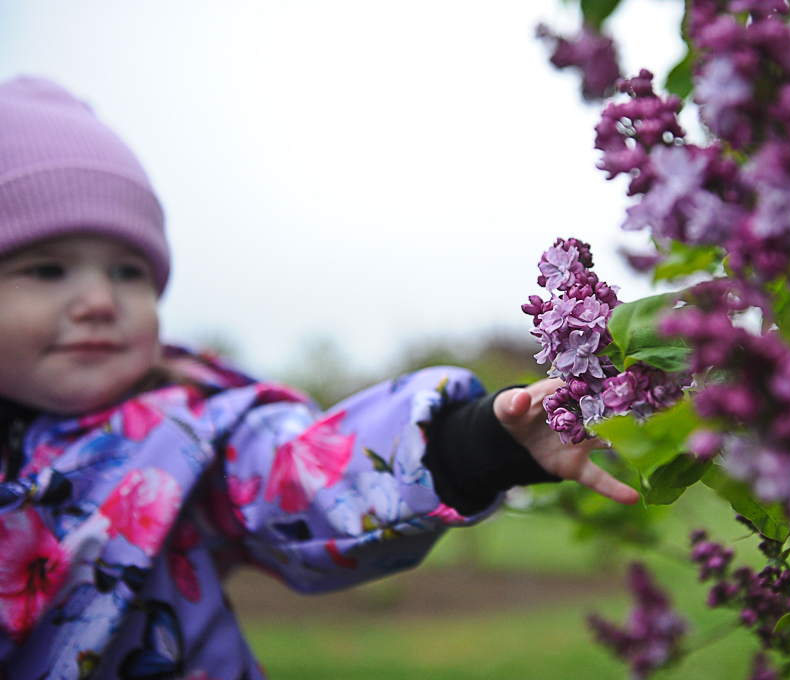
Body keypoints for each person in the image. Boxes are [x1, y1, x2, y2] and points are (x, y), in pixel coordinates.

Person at [0, 76, 639, 680]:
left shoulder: (192, 427)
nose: (100, 302)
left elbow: (304, 477)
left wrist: (477, 445)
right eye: (48, 270)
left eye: (127, 272)